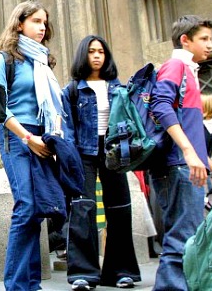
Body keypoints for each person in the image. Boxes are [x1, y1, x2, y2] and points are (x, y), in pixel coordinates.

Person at [149, 15, 212, 290]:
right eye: (204, 39)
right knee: (181, 238)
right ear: (186, 40)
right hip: (177, 166)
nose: (210, 45)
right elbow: (159, 105)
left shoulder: (188, 69)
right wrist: (188, 153)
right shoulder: (175, 65)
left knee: (187, 236)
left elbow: (193, 132)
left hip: (186, 165)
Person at [0, 0, 64, 291]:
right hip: (17, 136)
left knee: (38, 209)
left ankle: (32, 283)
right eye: (35, 21)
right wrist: (27, 138)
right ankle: (18, 285)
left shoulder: (42, 60)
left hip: (43, 138)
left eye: (44, 22)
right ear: (19, 23)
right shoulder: (5, 58)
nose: (42, 27)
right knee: (26, 206)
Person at [61, 35, 141, 290]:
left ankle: (120, 272)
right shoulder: (72, 89)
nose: (97, 56)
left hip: (114, 151)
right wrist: (70, 155)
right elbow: (67, 126)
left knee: (119, 209)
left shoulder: (118, 88)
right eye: (92, 51)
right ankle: (83, 274)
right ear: (83, 56)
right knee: (83, 209)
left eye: (101, 52)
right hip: (82, 153)